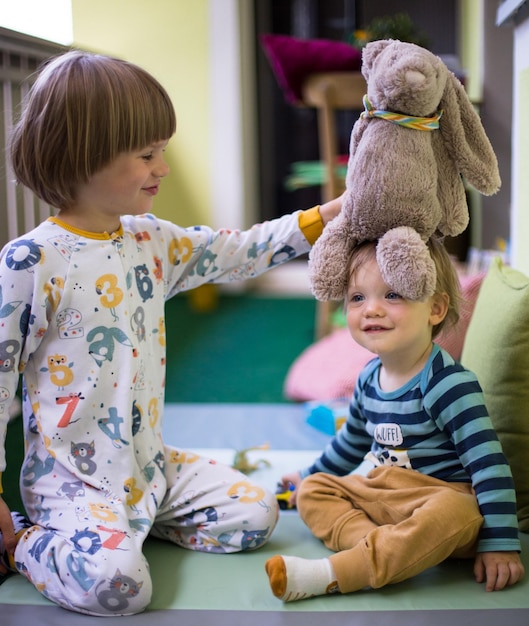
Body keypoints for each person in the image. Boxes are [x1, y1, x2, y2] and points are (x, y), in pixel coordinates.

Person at [0, 49, 342, 616]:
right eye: (147, 155)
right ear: (83, 157)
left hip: (148, 467)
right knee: (122, 589)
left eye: (163, 151)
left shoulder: (150, 240)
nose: (162, 167)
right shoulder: (29, 263)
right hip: (73, 486)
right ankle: (28, 543)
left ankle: (129, 530)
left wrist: (335, 214)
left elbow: (242, 250)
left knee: (257, 514)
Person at [265, 238, 524, 602]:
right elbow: (351, 442)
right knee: (316, 491)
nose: (371, 309)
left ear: (435, 309)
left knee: (457, 510)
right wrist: (306, 475)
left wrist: (500, 543)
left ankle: (337, 573)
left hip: (441, 501)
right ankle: (384, 549)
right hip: (385, 497)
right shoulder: (368, 378)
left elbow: (489, 466)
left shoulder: (447, 384)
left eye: (392, 295)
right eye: (357, 297)